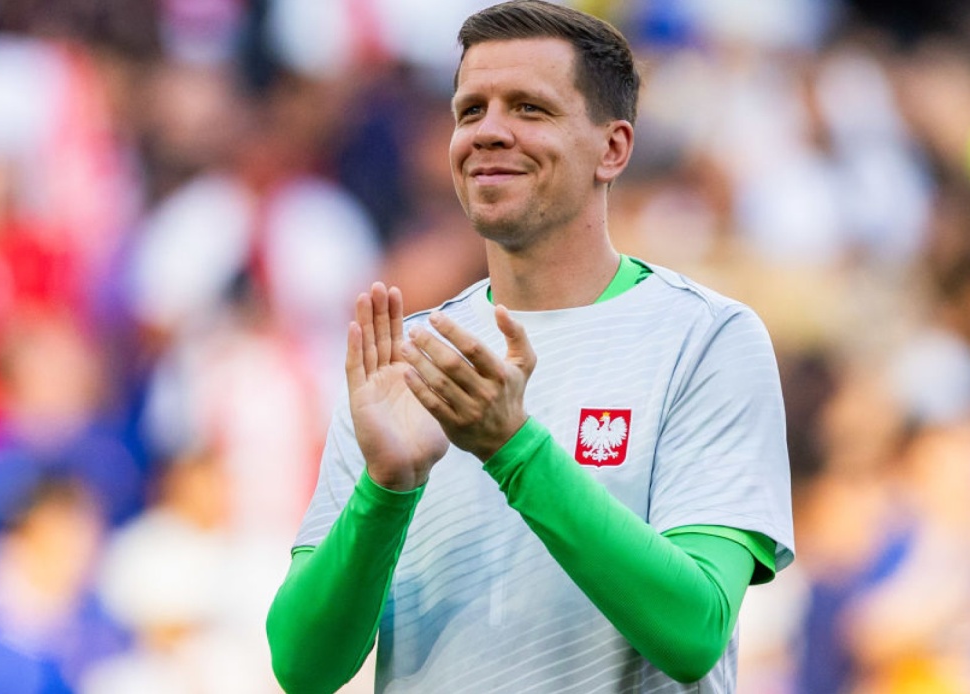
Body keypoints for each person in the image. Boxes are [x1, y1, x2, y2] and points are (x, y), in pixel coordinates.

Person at [265, 2, 794, 692]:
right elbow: (302, 669)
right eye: (470, 110)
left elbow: (694, 631)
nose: (488, 131)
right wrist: (386, 488)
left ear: (613, 149)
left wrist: (513, 449)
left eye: (529, 108)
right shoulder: (407, 361)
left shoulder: (705, 339)